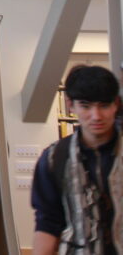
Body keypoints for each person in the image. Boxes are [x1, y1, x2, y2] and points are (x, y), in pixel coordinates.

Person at [31, 65, 122, 255]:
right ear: (70, 105)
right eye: (86, 106)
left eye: (104, 105)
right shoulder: (54, 158)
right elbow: (48, 222)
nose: (96, 116)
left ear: (116, 104)